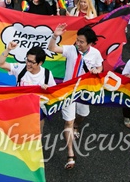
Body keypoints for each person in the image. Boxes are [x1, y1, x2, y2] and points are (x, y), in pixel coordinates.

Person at [48, 24, 103, 170]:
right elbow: (52, 49)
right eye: (77, 40)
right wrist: (55, 36)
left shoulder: (96, 53)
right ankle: (70, 155)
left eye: (81, 42)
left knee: (83, 114)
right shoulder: (71, 49)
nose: (78, 44)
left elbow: (100, 66)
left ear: (89, 43)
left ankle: (77, 125)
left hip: (84, 92)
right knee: (68, 123)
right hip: (68, 91)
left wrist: (97, 70)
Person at [0, 43, 56, 131]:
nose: (28, 64)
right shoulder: (20, 68)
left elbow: (54, 93)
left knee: (37, 131)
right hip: (18, 107)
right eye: (27, 60)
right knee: (17, 131)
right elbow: (0, 64)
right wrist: (8, 50)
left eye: (32, 62)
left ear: (40, 63)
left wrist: (47, 89)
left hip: (36, 109)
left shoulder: (47, 74)